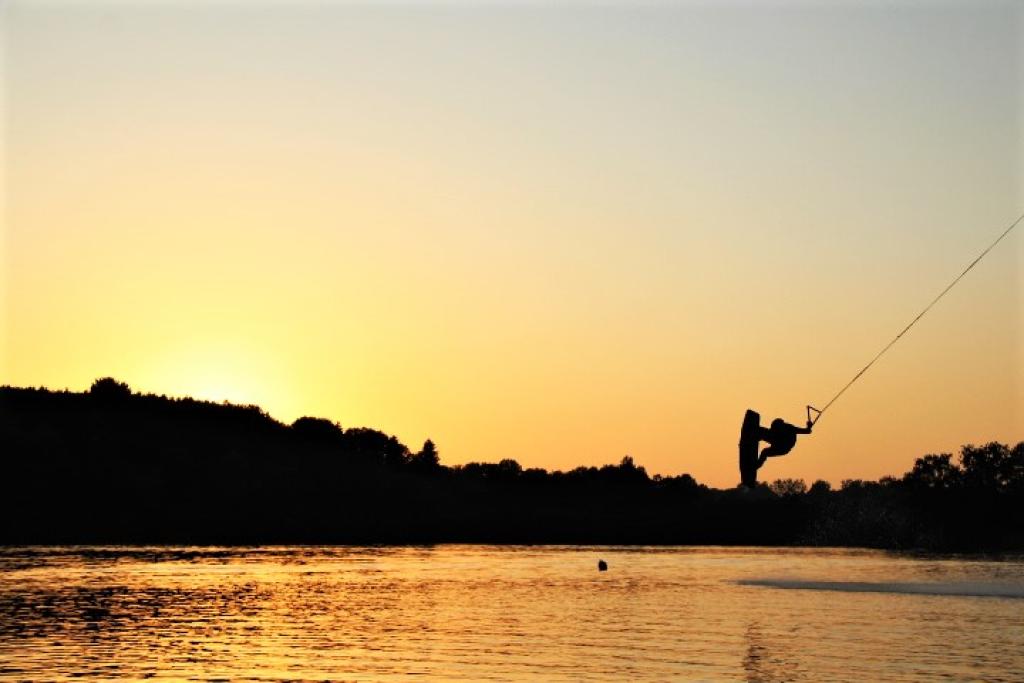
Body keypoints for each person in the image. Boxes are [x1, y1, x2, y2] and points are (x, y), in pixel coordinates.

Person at [738, 410, 812, 487]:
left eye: (774, 429)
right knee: (763, 437)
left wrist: (809, 426)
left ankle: (755, 466)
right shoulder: (782, 429)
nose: (772, 430)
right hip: (778, 443)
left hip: (782, 447)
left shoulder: (789, 428)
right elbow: (807, 431)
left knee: (765, 451)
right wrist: (808, 426)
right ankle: (755, 438)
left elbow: (806, 431)